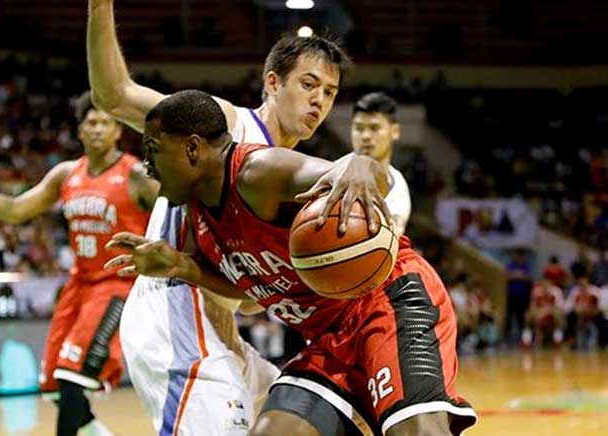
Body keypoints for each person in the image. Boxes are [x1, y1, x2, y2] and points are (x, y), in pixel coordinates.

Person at [86, 1, 391, 433]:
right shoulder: (224, 126)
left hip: (221, 325)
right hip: (175, 313)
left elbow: (249, 298)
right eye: (308, 84)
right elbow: (114, 95)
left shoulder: (286, 176)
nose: (318, 100)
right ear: (272, 83)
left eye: (329, 92)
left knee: (327, 415)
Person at [106, 91, 477, 436]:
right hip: (329, 337)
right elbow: (250, 293)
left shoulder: (257, 171)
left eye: (153, 150)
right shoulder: (197, 213)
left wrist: (363, 165)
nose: (147, 166)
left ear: (191, 149)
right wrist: (181, 266)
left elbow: (352, 173)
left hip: (388, 304)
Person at [0, 92, 158, 436]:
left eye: (105, 122)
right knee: (56, 385)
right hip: (78, 286)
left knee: (73, 378)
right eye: (91, 122)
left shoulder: (136, 175)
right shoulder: (66, 174)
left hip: (118, 285)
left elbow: (179, 216)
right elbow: (16, 211)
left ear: (118, 131)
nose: (98, 129)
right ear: (80, 131)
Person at [350, 92, 411, 236]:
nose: (365, 136)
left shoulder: (400, 184)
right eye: (359, 128)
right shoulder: (333, 174)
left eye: (374, 128)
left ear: (394, 131)